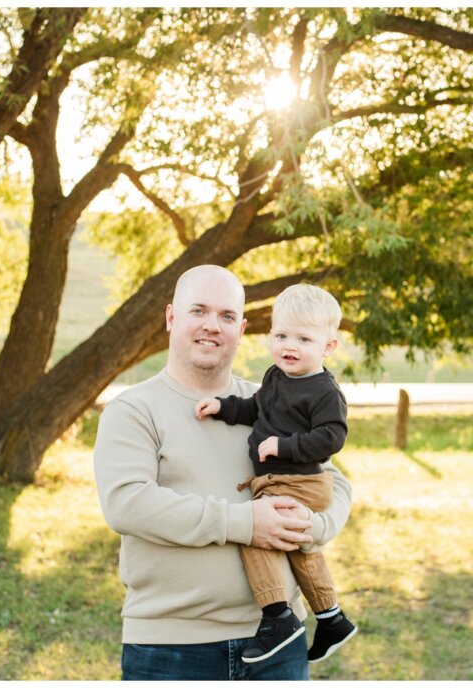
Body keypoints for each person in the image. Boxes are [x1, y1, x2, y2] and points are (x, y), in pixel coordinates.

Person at [93, 265, 353, 681]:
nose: (212, 326)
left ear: (243, 328)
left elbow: (334, 482)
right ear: (171, 318)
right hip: (170, 648)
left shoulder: (269, 398)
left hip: (277, 648)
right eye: (198, 311)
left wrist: (312, 526)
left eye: (227, 316)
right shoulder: (133, 409)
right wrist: (245, 523)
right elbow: (127, 504)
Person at [195, 284, 358, 665]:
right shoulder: (276, 376)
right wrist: (223, 407)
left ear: (328, 347)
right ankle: (331, 617)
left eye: (304, 338)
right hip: (282, 481)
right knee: (298, 545)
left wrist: (284, 448)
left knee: (257, 533)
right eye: (282, 335)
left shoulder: (323, 390)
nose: (290, 345)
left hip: (301, 481)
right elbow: (256, 409)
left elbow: (332, 437)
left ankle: (277, 616)